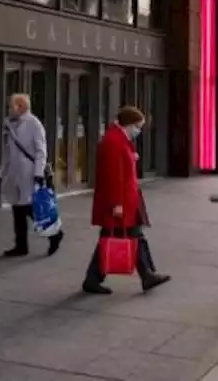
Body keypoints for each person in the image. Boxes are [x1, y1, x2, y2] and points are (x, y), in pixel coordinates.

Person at [82, 105, 170, 295]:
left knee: (121, 236)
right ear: (129, 124)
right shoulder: (114, 142)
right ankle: (146, 274)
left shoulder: (117, 139)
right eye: (138, 126)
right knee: (129, 235)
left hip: (125, 200)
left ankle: (144, 274)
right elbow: (114, 177)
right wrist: (117, 204)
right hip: (121, 201)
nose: (138, 130)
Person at [0, 93, 63, 257]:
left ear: (20, 107)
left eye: (11, 106)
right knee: (17, 209)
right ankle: (21, 245)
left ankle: (54, 234)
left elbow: (41, 151)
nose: (9, 109)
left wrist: (38, 173)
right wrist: (0, 173)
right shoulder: (9, 125)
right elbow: (8, 152)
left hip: (29, 172)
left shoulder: (34, 124)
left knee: (30, 207)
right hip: (14, 173)